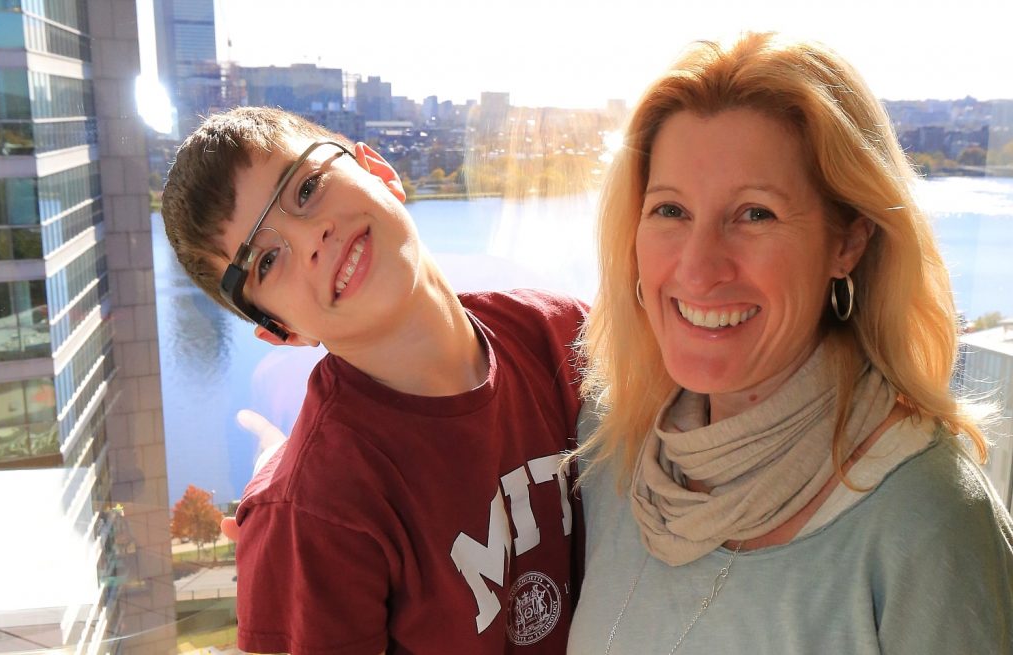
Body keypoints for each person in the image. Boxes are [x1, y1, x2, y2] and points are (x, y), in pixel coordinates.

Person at [567, 32, 1013, 654]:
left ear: (847, 242)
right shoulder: (612, 448)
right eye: (670, 211)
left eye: (756, 214)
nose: (697, 270)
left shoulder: (927, 520)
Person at [161, 107, 587, 654]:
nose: (311, 238)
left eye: (307, 189)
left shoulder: (561, 335)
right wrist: (286, 495)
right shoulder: (317, 510)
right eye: (265, 262)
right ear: (282, 332)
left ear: (378, 169)